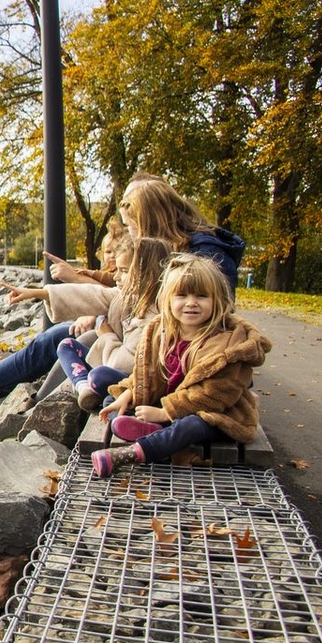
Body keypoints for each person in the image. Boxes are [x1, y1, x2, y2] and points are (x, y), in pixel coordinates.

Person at [91, 253, 271, 478]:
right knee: (112, 402)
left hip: (215, 413)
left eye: (201, 296)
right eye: (182, 295)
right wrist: (129, 393)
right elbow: (146, 374)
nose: (191, 302)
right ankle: (157, 432)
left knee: (193, 425)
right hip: (170, 404)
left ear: (217, 299)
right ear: (167, 299)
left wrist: (164, 412)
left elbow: (214, 395)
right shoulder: (161, 331)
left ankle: (133, 452)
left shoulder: (228, 342)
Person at [56, 237, 174, 412]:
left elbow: (122, 365)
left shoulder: (153, 316)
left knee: (99, 377)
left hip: (133, 379)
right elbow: (92, 295)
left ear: (147, 273)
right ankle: (84, 387)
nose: (115, 276)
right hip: (113, 362)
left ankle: (88, 386)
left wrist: (107, 335)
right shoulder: (130, 298)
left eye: (123, 270)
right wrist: (35, 293)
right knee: (66, 345)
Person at [117, 174, 244, 293]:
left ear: (148, 223)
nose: (129, 232)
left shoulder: (206, 252)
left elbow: (213, 302)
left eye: (128, 225)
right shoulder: (168, 248)